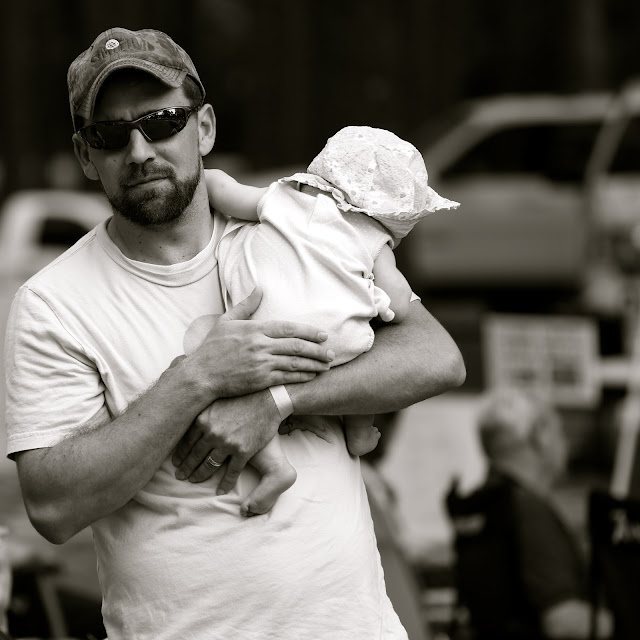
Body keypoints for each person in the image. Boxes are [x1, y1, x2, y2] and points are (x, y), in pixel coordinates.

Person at [3, 27, 465, 640]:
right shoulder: (53, 304)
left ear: (204, 128)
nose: (139, 150)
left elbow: (437, 357)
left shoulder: (294, 229)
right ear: (87, 156)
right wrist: (195, 379)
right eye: (109, 134)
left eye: (162, 121)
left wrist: (276, 401)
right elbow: (53, 506)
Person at [203, 126, 459, 515]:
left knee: (243, 392)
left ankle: (275, 468)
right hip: (332, 342)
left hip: (267, 328)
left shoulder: (284, 199)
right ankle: (360, 428)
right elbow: (400, 304)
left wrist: (205, 180)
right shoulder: (373, 240)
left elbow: (226, 192)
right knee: (364, 360)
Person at [447, 388, 612, 640]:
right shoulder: (528, 509)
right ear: (541, 436)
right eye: (560, 432)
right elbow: (562, 620)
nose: (565, 444)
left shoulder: (483, 503)